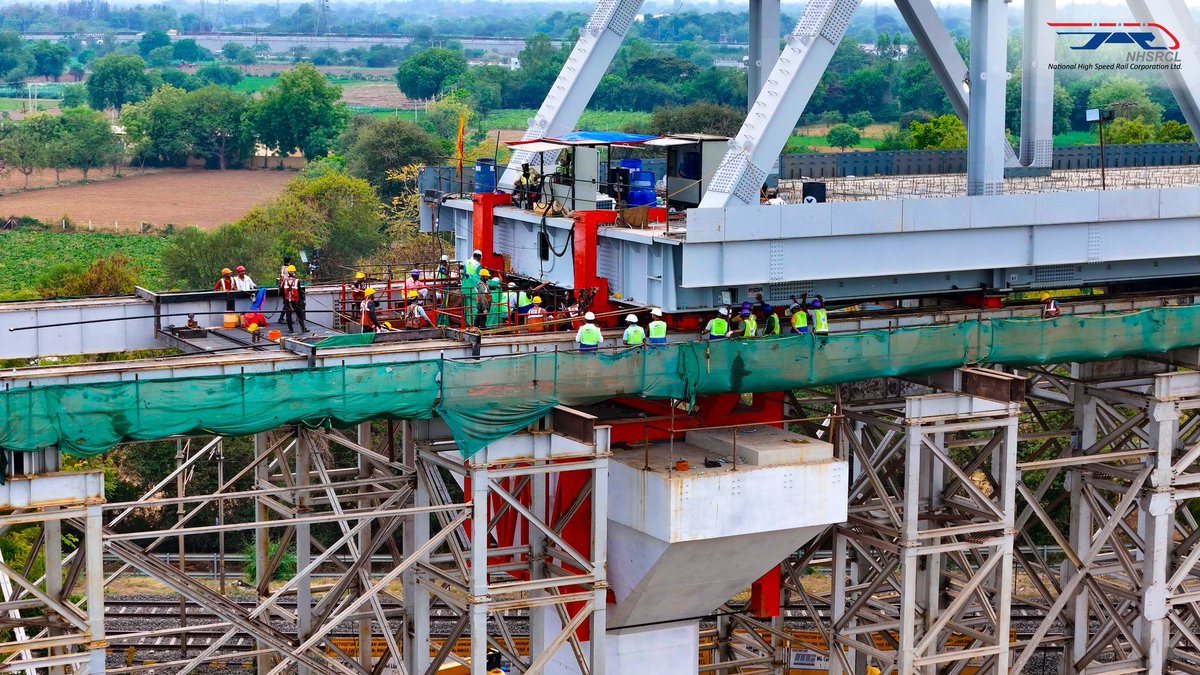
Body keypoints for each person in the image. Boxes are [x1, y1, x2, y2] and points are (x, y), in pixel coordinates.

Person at [280, 264, 307, 333]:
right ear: (294, 273)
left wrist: (284, 299)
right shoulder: (297, 281)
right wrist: (302, 299)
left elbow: (281, 292)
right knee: (300, 314)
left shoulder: (284, 281)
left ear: (288, 273)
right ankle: (303, 329)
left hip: (287, 301)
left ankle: (291, 330)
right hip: (296, 301)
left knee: (288, 315)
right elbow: (299, 292)